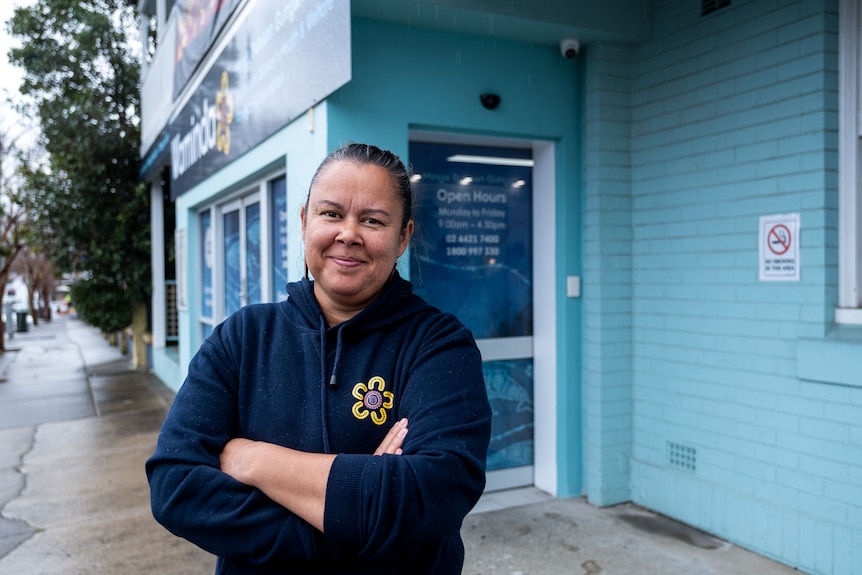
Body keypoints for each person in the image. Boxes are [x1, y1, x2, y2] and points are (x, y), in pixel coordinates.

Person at [146, 143, 492, 574]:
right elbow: (175, 487)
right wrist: (353, 521)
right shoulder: (242, 337)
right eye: (331, 214)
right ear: (305, 221)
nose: (349, 233)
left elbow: (430, 496)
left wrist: (254, 460)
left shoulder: (439, 345)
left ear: (403, 236)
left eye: (372, 220)